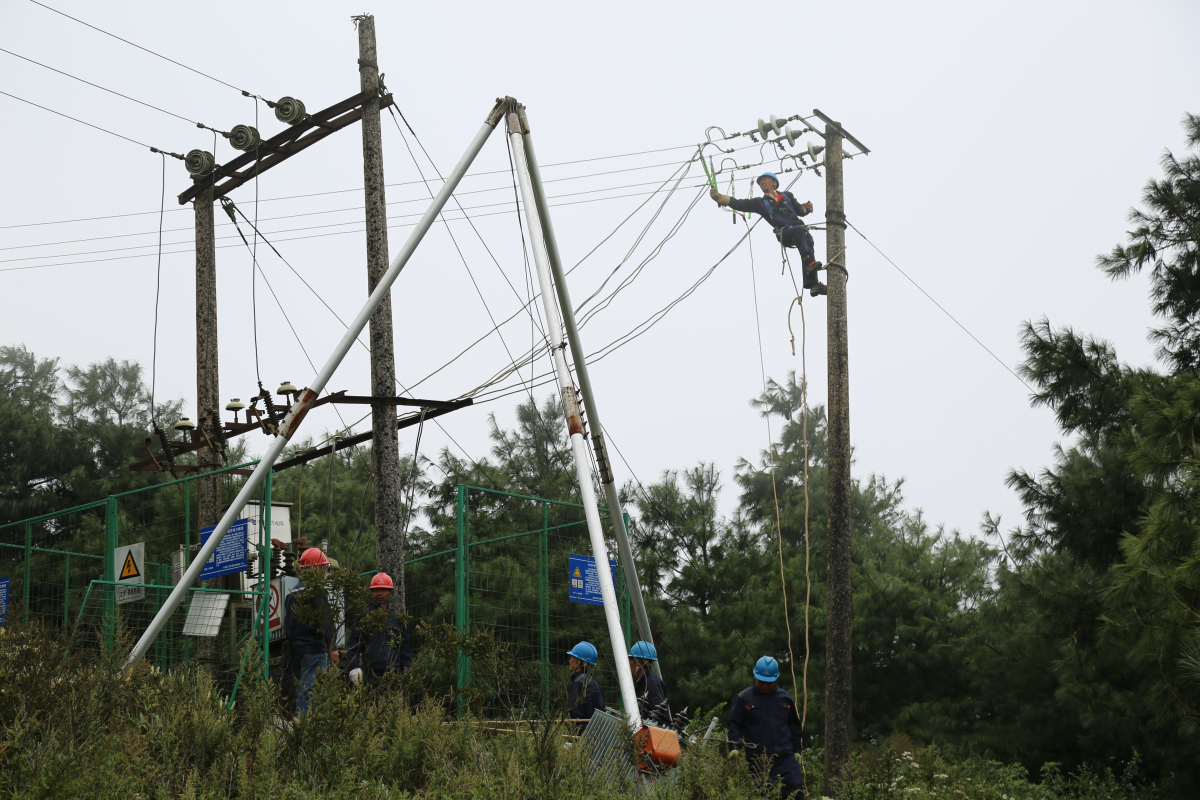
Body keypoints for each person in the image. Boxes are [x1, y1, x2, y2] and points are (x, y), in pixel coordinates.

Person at [710, 173, 826, 297]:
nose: (762, 183)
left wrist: (806, 208)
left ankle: (813, 284)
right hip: (783, 232)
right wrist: (720, 198)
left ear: (774, 182)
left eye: (765, 180)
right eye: (760, 182)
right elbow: (740, 203)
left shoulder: (787, 196)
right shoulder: (760, 203)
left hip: (799, 229)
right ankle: (809, 261)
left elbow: (799, 210)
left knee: (808, 239)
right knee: (800, 231)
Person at [727, 656, 805, 799]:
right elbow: (734, 724)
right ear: (755, 676)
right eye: (761, 681)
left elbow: (794, 726)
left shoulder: (784, 698)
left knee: (796, 792)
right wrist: (734, 747)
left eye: (769, 683)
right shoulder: (743, 698)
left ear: (776, 679)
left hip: (786, 759)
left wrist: (797, 750)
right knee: (765, 795)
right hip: (759, 761)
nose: (764, 685)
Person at [282, 547, 338, 716]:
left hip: (297, 650)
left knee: (302, 687)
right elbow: (325, 620)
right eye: (324, 568)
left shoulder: (292, 594)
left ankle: (301, 725)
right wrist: (333, 646)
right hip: (314, 649)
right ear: (317, 568)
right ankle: (305, 729)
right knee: (311, 691)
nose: (325, 572)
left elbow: (289, 625)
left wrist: (292, 647)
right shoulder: (317, 591)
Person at [347, 572, 412, 688]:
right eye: (376, 590)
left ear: (390, 593)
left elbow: (404, 648)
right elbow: (353, 645)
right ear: (372, 593)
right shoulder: (364, 617)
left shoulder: (397, 619)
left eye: (383, 590)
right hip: (370, 675)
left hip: (393, 675)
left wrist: (407, 670)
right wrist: (355, 667)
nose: (379, 593)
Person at [565, 641, 605, 732]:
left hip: (581, 739)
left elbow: (575, 716)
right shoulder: (595, 684)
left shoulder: (578, 683)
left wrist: (572, 738)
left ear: (578, 662)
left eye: (572, 657)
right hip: (596, 735)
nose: (570, 660)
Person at [629, 640, 669, 722]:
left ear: (638, 663)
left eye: (631, 660)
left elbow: (660, 717)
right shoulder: (643, 682)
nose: (629, 663)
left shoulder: (652, 684)